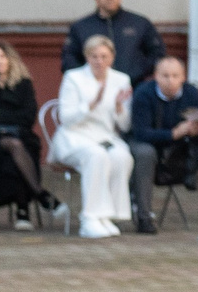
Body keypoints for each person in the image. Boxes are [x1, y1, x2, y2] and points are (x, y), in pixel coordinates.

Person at [127, 55, 198, 234]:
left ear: (183, 77)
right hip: (150, 146)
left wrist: (197, 132)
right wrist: (174, 133)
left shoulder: (192, 93)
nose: (170, 81)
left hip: (183, 147)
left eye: (175, 76)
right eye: (165, 76)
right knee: (144, 153)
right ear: (156, 76)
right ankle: (143, 217)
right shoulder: (143, 93)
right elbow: (141, 133)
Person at [53, 37, 136, 238]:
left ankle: (108, 215)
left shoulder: (121, 79)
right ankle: (89, 217)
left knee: (122, 157)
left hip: (105, 136)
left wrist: (118, 109)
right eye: (94, 56)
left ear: (112, 58)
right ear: (87, 57)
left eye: (103, 56)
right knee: (96, 156)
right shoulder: (74, 77)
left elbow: (125, 125)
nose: (99, 61)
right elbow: (66, 118)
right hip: (75, 137)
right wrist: (91, 104)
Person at [0, 40, 54, 223]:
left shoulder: (23, 85)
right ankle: (35, 198)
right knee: (13, 148)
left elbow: (28, 117)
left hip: (22, 136)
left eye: (2, 56)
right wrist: (8, 116)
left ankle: (24, 209)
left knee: (18, 151)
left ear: (10, 59)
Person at [64, 0, 166, 79]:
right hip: (93, 88)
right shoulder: (81, 26)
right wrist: (87, 78)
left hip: (134, 86)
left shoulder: (140, 23)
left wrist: (137, 72)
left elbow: (157, 54)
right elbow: (69, 58)